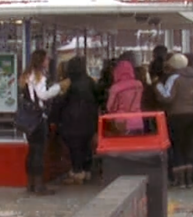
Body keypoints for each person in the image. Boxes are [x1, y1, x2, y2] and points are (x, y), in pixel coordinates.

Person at [20, 49, 70, 195]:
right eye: (47, 59)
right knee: (39, 152)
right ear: (41, 61)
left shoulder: (26, 75)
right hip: (38, 118)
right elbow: (43, 94)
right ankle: (39, 186)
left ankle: (31, 184)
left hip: (28, 118)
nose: (48, 61)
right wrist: (58, 87)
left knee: (32, 151)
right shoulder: (38, 76)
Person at [154, 53, 193, 188]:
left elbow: (167, 97)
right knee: (190, 145)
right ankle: (192, 176)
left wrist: (158, 87)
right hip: (192, 115)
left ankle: (179, 178)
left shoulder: (173, 79)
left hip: (176, 115)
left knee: (178, 147)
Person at [52, 56, 99, 185]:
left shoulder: (68, 83)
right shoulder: (90, 81)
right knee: (86, 146)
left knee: (75, 148)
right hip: (89, 120)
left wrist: (54, 117)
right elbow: (98, 98)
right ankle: (86, 170)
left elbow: (59, 102)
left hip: (71, 121)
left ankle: (78, 173)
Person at [106, 60, 145, 134]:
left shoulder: (115, 88)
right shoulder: (139, 85)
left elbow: (109, 107)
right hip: (138, 121)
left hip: (121, 123)